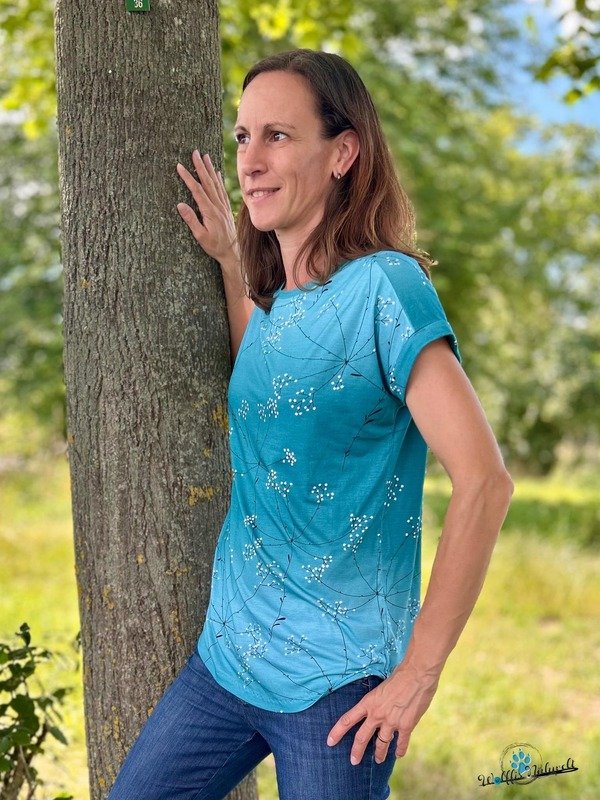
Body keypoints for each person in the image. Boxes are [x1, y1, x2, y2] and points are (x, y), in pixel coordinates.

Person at [107, 49, 513, 800]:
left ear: (342, 153)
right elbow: (270, 376)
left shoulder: (386, 287)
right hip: (227, 661)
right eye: (243, 137)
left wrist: (419, 674)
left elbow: (486, 483)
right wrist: (232, 262)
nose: (251, 162)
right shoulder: (278, 302)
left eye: (279, 136)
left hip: (338, 687)